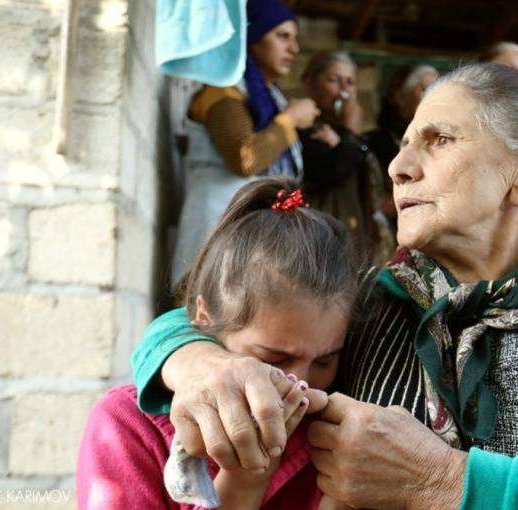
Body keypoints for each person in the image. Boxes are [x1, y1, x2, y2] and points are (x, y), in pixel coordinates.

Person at [131, 64, 518, 508]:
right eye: (404, 144)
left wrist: (451, 483)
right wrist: (199, 361)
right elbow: (201, 324)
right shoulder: (374, 301)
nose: (401, 167)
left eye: (439, 141)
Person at [77, 179, 360, 509]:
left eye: (325, 361)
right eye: (276, 359)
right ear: (203, 315)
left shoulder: (337, 435)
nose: (303, 384)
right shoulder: (128, 428)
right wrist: (241, 485)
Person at [169, 0, 320, 287]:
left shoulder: (270, 98)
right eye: (282, 36)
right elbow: (245, 159)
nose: (294, 49)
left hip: (248, 240)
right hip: (215, 230)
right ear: (254, 35)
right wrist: (289, 121)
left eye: (294, 38)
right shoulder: (222, 87)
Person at [298, 50, 395, 262]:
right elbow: (331, 171)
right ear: (309, 85)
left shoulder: (351, 135)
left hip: (357, 239)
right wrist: (351, 130)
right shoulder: (304, 129)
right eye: (334, 80)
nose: (344, 91)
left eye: (350, 82)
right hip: (321, 241)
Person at [365, 63, 439, 230]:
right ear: (399, 97)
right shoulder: (374, 143)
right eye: (426, 91)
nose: (434, 99)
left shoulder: (441, 143)